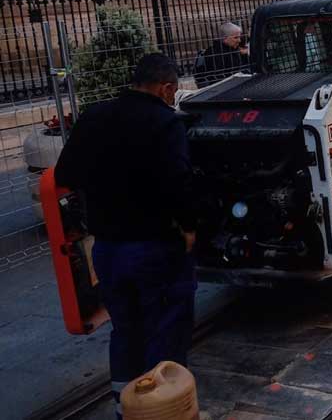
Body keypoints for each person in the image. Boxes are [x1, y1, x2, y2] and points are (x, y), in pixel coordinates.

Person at [54, 53, 197, 420]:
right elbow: (179, 183)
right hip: (155, 248)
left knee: (125, 331)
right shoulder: (165, 123)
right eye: (173, 91)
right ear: (166, 88)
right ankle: (162, 411)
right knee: (164, 332)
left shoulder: (94, 116)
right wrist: (189, 227)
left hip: (108, 250)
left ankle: (125, 408)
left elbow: (65, 174)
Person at [195, 21, 249, 88]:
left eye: (239, 37)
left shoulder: (234, 49)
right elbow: (217, 77)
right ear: (225, 38)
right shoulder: (214, 53)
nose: (239, 40)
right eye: (235, 37)